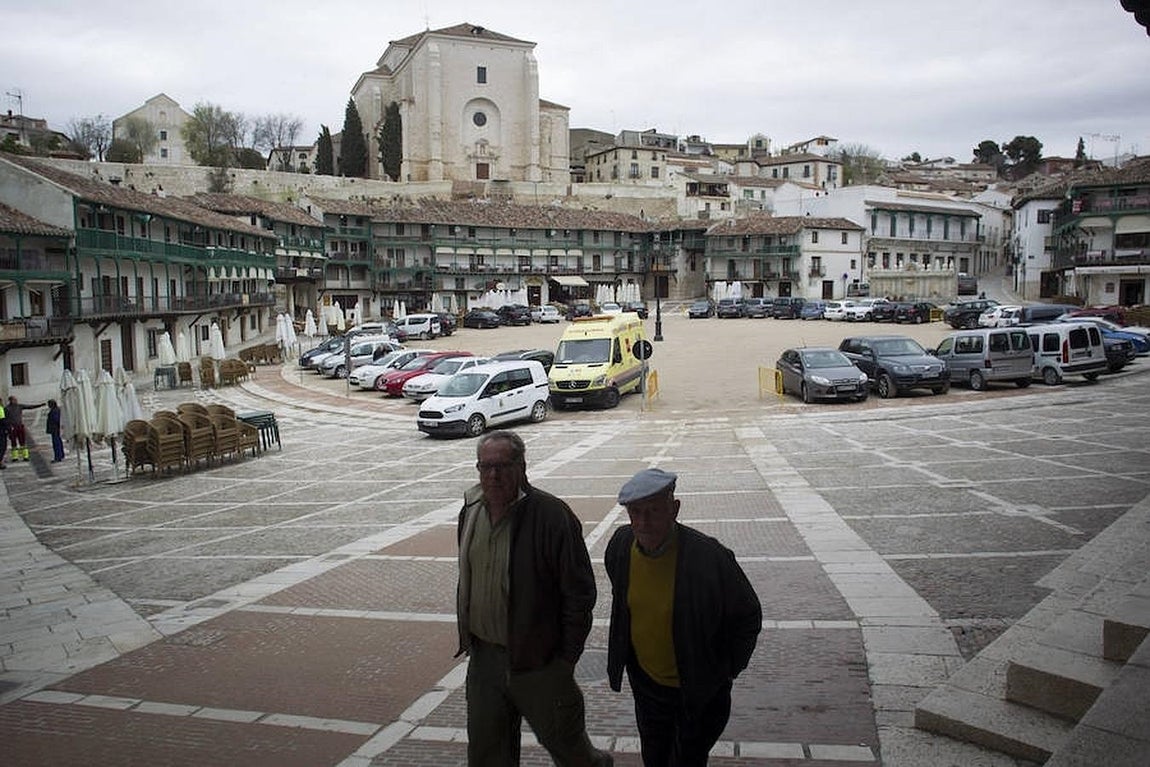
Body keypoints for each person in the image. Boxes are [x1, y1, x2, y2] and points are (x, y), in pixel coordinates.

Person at [455, 430, 611, 767]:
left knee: (571, 752)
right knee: (486, 754)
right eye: (486, 467)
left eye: (503, 466)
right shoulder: (470, 511)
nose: (493, 475)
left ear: (522, 467)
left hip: (539, 662)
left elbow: (579, 594)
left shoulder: (552, 516)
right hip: (484, 660)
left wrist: (565, 661)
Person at [605, 468, 762, 766]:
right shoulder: (621, 546)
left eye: (653, 511)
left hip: (697, 692)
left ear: (674, 508)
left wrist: (725, 669)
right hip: (648, 688)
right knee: (654, 756)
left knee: (688, 758)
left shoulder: (709, 557)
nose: (643, 522)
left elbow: (748, 617)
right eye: (635, 512)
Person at [6, 396, 28, 461]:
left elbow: (30, 407)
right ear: (11, 401)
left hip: (20, 426)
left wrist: (40, 405)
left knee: (23, 441)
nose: (16, 401)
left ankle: (25, 456)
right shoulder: (7, 408)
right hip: (12, 427)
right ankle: (15, 457)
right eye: (15, 400)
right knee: (13, 442)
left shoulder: (20, 406)